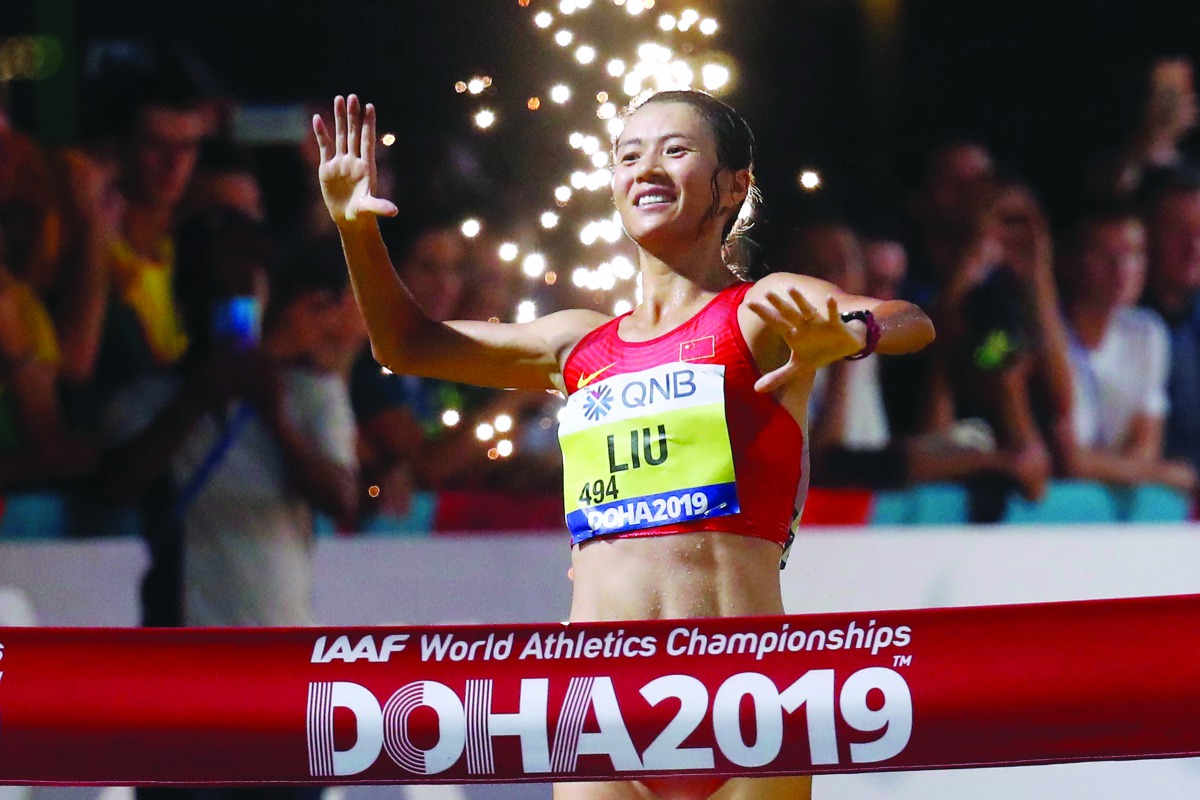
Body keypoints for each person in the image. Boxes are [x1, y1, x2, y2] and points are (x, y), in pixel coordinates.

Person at [313, 91, 934, 800]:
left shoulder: (761, 310)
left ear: (736, 184)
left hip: (744, 691)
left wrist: (859, 333)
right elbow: (405, 344)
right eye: (628, 154)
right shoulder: (576, 342)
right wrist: (354, 229)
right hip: (600, 700)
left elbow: (909, 318)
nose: (647, 168)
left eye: (675, 150)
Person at [1057, 206, 1196, 492]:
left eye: (1133, 254)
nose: (1122, 269)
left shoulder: (1147, 332)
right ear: (1069, 261)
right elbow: (1066, 460)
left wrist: (1115, 468)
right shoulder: (1041, 334)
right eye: (1104, 255)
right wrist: (1163, 474)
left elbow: (1145, 448)